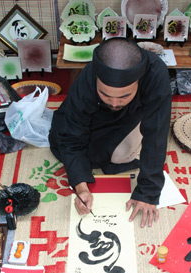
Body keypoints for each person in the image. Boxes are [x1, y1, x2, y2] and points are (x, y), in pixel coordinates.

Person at [49, 37, 172, 227]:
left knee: (120, 155)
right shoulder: (88, 78)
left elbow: (156, 132)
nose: (114, 103)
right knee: (63, 143)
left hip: (133, 113)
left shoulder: (156, 73)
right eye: (105, 94)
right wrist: (81, 187)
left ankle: (123, 106)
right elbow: (72, 137)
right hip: (96, 116)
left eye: (123, 95)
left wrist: (148, 192)